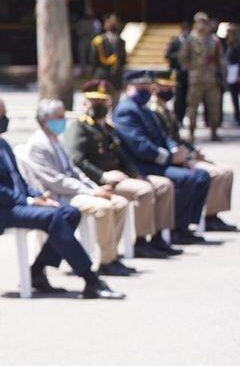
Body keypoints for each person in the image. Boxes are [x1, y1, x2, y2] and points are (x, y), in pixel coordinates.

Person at [0, 94, 124, 299]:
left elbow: (19, 181)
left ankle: (36, 272)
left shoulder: (0, 143)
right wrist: (28, 201)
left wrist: (38, 196)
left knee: (69, 212)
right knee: (54, 217)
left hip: (11, 204)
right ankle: (91, 279)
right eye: (1, 114)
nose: (5, 118)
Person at [63, 80, 179, 259]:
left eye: (102, 102)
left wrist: (136, 174)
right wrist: (103, 176)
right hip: (101, 181)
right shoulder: (80, 127)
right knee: (144, 190)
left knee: (163, 185)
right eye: (94, 102)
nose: (98, 106)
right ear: (85, 103)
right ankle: (141, 241)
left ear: (109, 104)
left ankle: (158, 236)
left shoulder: (108, 128)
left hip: (121, 177)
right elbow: (77, 160)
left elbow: (123, 156)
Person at [22, 99, 134, 276]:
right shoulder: (38, 144)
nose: (63, 120)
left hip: (77, 190)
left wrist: (95, 187)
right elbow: (57, 181)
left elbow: (74, 171)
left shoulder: (57, 140)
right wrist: (91, 192)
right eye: (58, 117)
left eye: (63, 116)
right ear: (45, 119)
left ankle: (110, 256)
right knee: (103, 207)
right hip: (60, 195)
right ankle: (105, 261)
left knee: (118, 202)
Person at [113, 70, 210, 245]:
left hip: (160, 162)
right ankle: (172, 231)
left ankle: (184, 226)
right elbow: (140, 147)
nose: (145, 91)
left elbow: (164, 137)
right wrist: (170, 159)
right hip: (143, 165)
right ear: (129, 87)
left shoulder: (145, 110)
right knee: (185, 179)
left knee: (201, 175)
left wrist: (177, 153)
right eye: (140, 87)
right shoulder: (126, 111)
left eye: (147, 87)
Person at [148, 72, 235, 232]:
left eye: (172, 87)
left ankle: (212, 215)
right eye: (166, 87)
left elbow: (177, 138)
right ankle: (202, 219)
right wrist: (189, 156)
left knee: (226, 172)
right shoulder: (154, 110)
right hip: (173, 158)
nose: (170, 91)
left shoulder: (165, 109)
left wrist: (194, 151)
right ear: (155, 88)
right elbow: (165, 140)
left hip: (181, 153)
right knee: (214, 173)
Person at [179, 12, 225, 142]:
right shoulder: (190, 39)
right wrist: (192, 68)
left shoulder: (214, 40)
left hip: (212, 79)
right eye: (199, 21)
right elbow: (183, 57)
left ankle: (214, 131)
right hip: (196, 79)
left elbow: (220, 59)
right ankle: (191, 131)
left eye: (204, 21)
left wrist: (222, 74)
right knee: (192, 106)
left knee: (214, 107)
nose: (202, 24)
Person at [90, 13, 126, 93]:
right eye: (110, 22)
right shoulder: (99, 40)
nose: (113, 24)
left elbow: (123, 60)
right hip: (102, 77)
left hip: (117, 78)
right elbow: (93, 61)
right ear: (105, 24)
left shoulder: (122, 41)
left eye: (115, 22)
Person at [165, 20, 192, 125]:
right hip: (179, 73)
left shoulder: (191, 42)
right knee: (179, 97)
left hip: (189, 74)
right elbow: (168, 55)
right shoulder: (175, 41)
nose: (186, 32)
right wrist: (179, 55)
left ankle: (185, 117)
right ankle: (178, 118)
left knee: (188, 98)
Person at [226, 24, 240, 124]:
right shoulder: (229, 44)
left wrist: (238, 74)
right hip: (231, 73)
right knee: (233, 96)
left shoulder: (238, 45)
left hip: (237, 73)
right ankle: (237, 115)